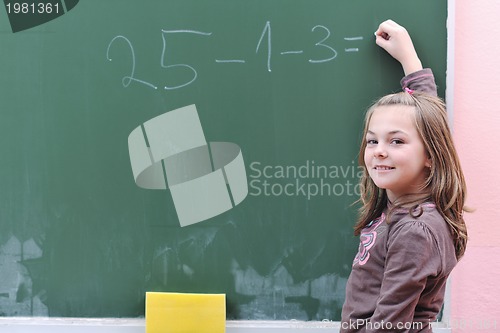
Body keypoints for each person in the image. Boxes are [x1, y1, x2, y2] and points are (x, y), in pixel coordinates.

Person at [340, 20, 468, 333]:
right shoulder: (415, 207)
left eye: (396, 141)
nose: (379, 151)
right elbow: (428, 122)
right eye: (373, 140)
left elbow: (388, 327)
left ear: (430, 155)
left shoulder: (414, 230)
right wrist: (410, 60)